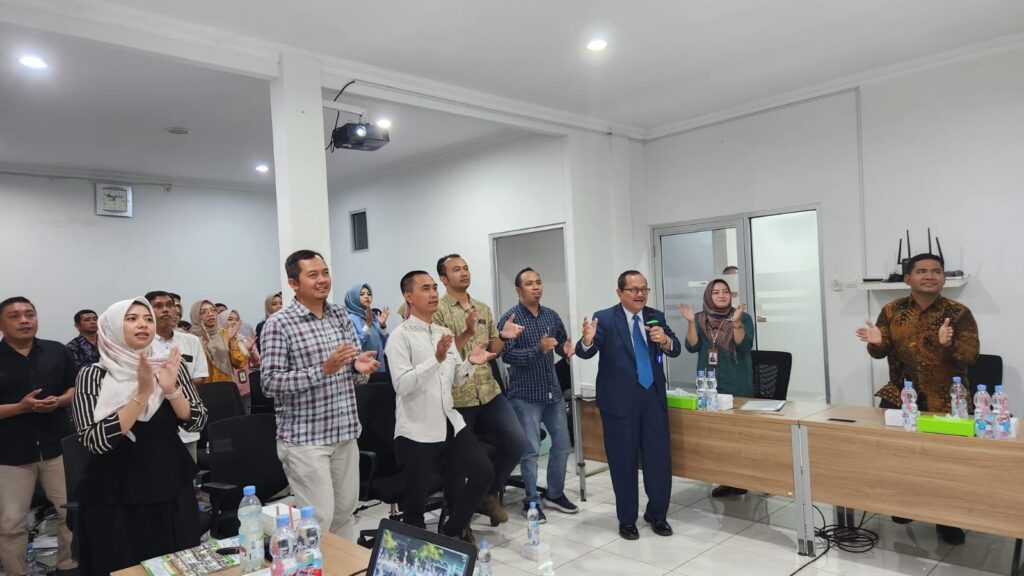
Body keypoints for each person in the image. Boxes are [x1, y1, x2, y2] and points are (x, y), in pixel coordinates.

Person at [71, 298, 207, 575]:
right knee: (124, 565)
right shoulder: (93, 375)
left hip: (170, 481)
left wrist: (170, 390)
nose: (142, 324)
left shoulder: (169, 365)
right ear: (112, 326)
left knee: (177, 562)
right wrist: (142, 394)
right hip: (115, 489)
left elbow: (198, 421)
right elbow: (95, 440)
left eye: (147, 318)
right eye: (131, 318)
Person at [855, 252, 979, 545]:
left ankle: (947, 520)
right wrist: (875, 344)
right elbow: (880, 350)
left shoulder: (958, 313)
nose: (930, 276)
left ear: (943, 278)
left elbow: (971, 356)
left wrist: (948, 344)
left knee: (945, 465)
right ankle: (904, 505)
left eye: (936, 271)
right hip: (900, 396)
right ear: (907, 278)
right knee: (897, 458)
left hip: (946, 400)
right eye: (922, 271)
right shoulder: (891, 311)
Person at [261, 249, 380, 539]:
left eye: (325, 272)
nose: (322, 280)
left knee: (345, 512)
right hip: (305, 439)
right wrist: (322, 370)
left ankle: (343, 563)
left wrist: (357, 367)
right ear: (294, 283)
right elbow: (270, 383)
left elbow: (349, 366)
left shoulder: (340, 315)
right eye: (312, 275)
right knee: (318, 519)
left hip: (344, 431)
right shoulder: (280, 324)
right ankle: (314, 563)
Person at [385, 271, 496, 544]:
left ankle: (452, 528)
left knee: (484, 472)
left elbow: (456, 379)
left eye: (435, 287)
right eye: (425, 289)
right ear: (409, 297)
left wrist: (470, 362)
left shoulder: (443, 332)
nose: (434, 293)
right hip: (417, 430)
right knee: (415, 505)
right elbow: (402, 385)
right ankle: (417, 555)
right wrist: (434, 359)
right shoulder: (400, 337)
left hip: (449, 423)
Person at [575, 270, 681, 540]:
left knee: (659, 460)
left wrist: (665, 340)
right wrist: (586, 340)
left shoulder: (655, 316)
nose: (640, 294)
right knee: (623, 462)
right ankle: (627, 519)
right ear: (620, 292)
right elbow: (586, 351)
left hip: (652, 399)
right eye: (634, 289)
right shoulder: (605, 318)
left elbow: (676, 348)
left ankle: (657, 514)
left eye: (644, 289)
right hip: (619, 402)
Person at [432, 254, 527, 526]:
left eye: (466, 268)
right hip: (457, 396)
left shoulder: (483, 308)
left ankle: (485, 495)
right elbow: (444, 353)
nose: (464, 273)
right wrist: (468, 335)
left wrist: (503, 337)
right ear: (443, 278)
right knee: (456, 462)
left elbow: (493, 350)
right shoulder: (438, 311)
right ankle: (458, 522)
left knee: (517, 442)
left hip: (488, 391)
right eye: (456, 269)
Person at [0, 297, 78, 576]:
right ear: (1, 324)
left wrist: (60, 401)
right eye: (14, 316)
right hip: (10, 454)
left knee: (70, 512)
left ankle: (68, 566)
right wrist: (21, 408)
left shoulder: (57, 351)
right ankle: (17, 572)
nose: (24, 320)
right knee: (10, 524)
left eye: (29, 314)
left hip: (57, 447)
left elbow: (74, 388)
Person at [498, 268, 578, 522]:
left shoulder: (551, 315)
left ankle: (555, 493)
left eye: (539, 282)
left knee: (563, 444)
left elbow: (561, 343)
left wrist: (568, 348)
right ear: (518, 290)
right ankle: (530, 501)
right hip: (524, 396)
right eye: (530, 283)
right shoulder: (510, 319)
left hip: (552, 392)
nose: (536, 287)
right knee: (531, 451)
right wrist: (538, 349)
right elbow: (507, 356)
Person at [680, 279, 754, 497]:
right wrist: (690, 323)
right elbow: (692, 346)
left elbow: (744, 346)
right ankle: (725, 478)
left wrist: (737, 324)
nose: (721, 295)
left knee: (738, 435)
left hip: (737, 382)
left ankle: (743, 478)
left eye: (725, 292)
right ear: (708, 296)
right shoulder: (700, 319)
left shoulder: (743, 317)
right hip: (709, 384)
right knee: (716, 435)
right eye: (716, 292)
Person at [146, 291, 209, 461]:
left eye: (169, 305)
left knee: (189, 472)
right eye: (158, 306)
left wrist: (175, 388)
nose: (165, 310)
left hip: (188, 420)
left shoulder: (191, 341)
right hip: (155, 425)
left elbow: (200, 376)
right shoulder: (142, 343)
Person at [189, 299, 249, 386]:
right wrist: (204, 346)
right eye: (204, 312)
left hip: (227, 386)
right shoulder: (191, 339)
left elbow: (239, 363)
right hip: (203, 388)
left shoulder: (225, 333)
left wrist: (232, 340)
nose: (210, 314)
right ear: (196, 316)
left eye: (213, 310)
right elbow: (192, 370)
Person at [344, 283, 390, 376]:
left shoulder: (373, 317)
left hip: (379, 367)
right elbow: (355, 345)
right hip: (363, 371)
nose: (367, 296)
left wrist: (382, 325)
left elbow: (386, 343)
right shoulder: (350, 319)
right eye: (362, 294)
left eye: (369, 294)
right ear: (353, 298)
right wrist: (368, 326)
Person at [220, 308, 260, 413]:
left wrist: (251, 351)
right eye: (230, 319)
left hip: (246, 388)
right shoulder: (218, 342)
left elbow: (257, 362)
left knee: (246, 416)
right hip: (227, 388)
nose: (234, 322)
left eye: (237, 319)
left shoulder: (244, 339)